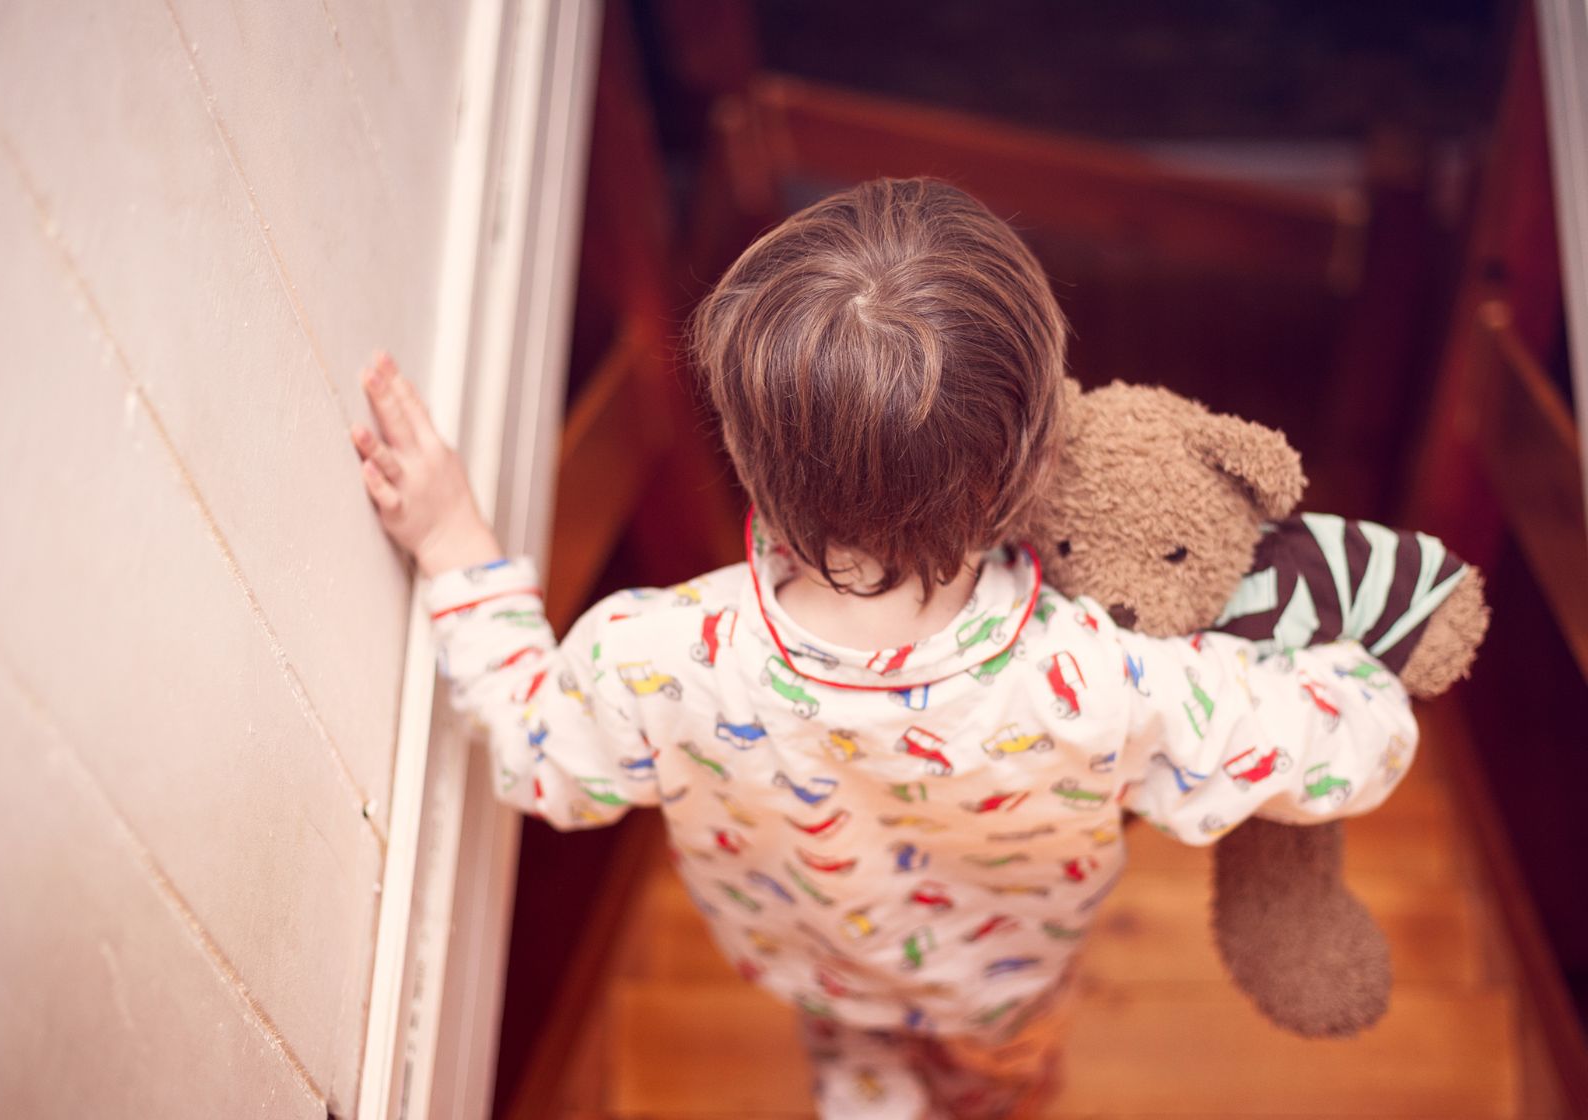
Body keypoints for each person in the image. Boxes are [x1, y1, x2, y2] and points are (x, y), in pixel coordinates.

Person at [349, 178, 1417, 1120]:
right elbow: (1342, 753)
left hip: (810, 960)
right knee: (1000, 1080)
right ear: (1037, 459)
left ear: (751, 460)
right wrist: (1353, 673)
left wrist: (454, 546)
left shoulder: (651, 651)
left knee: (855, 1055)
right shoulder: (1104, 675)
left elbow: (543, 761)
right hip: (1007, 986)